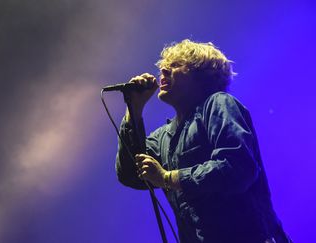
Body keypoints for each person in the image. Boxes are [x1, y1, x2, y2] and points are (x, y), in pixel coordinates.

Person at [115, 39, 290, 243]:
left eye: (175, 65)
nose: (163, 70)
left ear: (200, 75)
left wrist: (167, 177)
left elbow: (237, 167)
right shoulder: (164, 136)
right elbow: (129, 174)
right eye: (164, 65)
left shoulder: (219, 104)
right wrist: (134, 110)